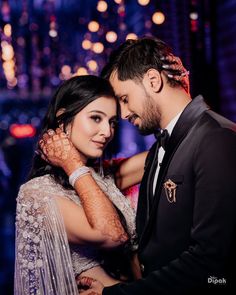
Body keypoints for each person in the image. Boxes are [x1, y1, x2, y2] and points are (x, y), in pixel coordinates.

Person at [77, 37, 236, 295]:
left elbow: (210, 263)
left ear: (153, 80)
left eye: (125, 98)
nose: (124, 113)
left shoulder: (217, 138)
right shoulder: (158, 149)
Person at [14, 75, 142, 295]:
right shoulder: (36, 194)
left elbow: (163, 156)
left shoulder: (103, 177)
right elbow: (112, 235)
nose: (107, 132)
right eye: (96, 118)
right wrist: (72, 164)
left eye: (112, 122)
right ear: (63, 119)